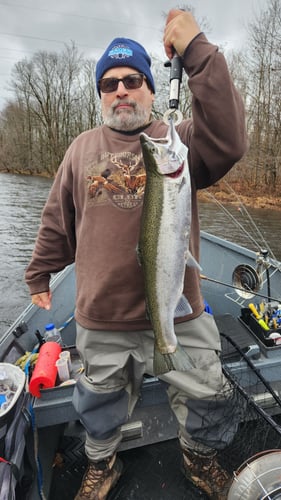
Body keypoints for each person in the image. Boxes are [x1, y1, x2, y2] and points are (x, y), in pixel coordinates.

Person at [25, 9, 248, 500]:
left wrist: (198, 53)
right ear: (101, 95)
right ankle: (103, 465)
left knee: (208, 392)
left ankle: (199, 455)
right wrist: (41, 273)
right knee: (97, 405)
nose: (121, 90)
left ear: (149, 88)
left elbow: (231, 139)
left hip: (179, 310)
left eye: (132, 79)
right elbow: (57, 219)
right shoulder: (81, 149)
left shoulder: (180, 143)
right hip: (102, 316)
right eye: (109, 83)